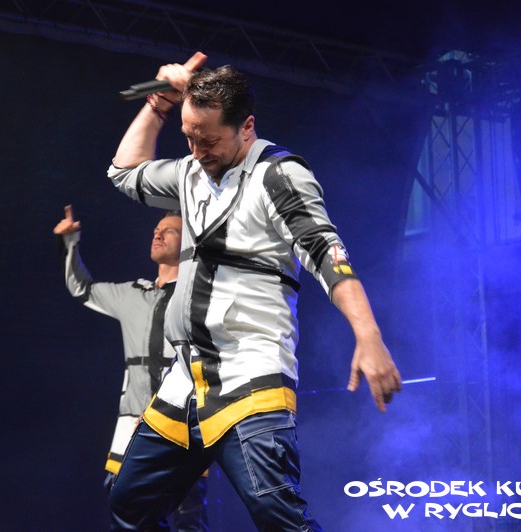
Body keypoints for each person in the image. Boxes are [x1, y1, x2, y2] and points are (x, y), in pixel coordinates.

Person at [105, 51, 402, 531]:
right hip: (186, 381)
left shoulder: (278, 175)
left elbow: (328, 254)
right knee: (129, 503)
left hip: (250, 375)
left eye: (209, 140)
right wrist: (159, 105)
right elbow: (124, 172)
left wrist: (368, 335)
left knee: (276, 515)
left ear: (246, 127)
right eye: (189, 138)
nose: (197, 152)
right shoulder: (190, 173)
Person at [53, 205, 209, 531]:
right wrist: (70, 242)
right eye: (156, 230)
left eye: (169, 231)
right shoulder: (133, 294)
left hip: (180, 420)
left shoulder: (198, 296)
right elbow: (82, 288)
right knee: (123, 505)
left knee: (186, 513)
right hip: (131, 420)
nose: (158, 235)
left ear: (187, 243)